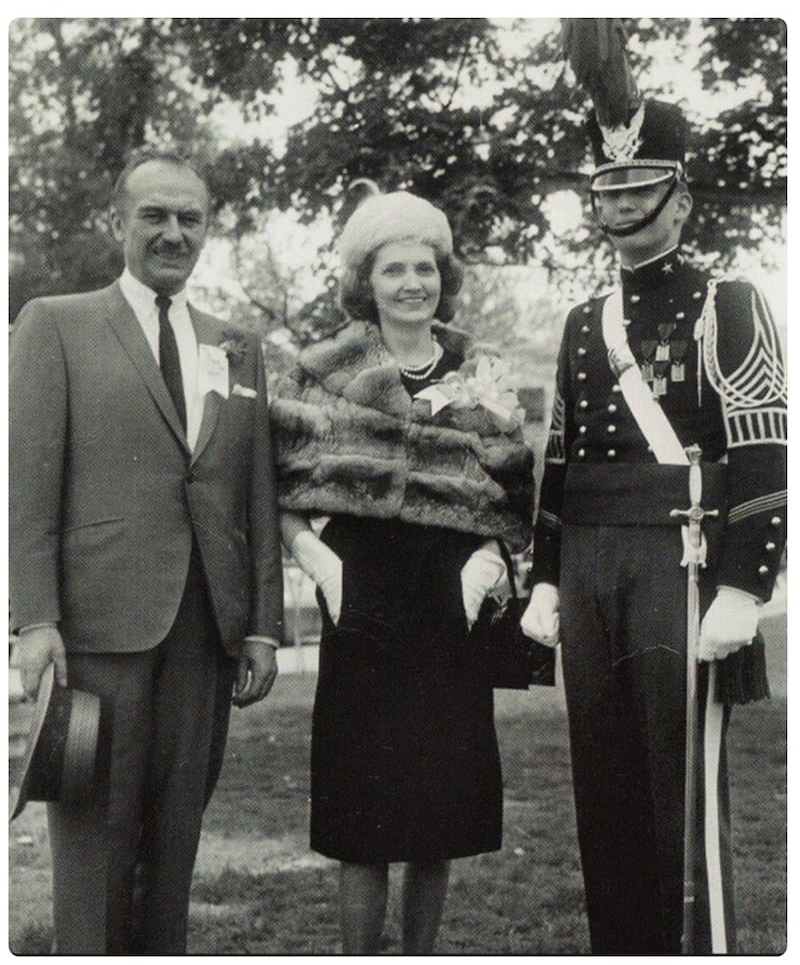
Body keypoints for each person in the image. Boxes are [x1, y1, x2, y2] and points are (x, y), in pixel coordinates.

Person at [522, 99, 787, 953]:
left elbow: (764, 451)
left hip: (682, 555)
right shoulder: (580, 320)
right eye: (608, 187)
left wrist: (746, 584)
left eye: (642, 185)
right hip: (592, 558)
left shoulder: (732, 301)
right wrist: (549, 574)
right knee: (604, 790)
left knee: (681, 795)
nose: (623, 203)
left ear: (681, 195)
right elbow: (559, 458)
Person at [9, 151, 285, 954]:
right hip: (98, 631)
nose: (173, 232)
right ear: (117, 223)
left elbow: (254, 493)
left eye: (190, 218)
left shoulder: (237, 346)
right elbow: (28, 486)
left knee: (174, 845)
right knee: (96, 843)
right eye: (153, 216)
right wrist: (36, 620)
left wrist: (262, 624)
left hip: (205, 633)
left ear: (208, 227)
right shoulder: (54, 322)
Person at [271, 183, 535, 953]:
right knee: (362, 817)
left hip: (449, 600)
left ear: (442, 277)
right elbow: (278, 488)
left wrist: (483, 566)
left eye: (425, 267)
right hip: (362, 598)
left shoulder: (478, 369)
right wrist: (322, 565)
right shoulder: (321, 371)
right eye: (394, 270)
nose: (412, 283)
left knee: (438, 812)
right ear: (366, 280)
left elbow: (517, 490)